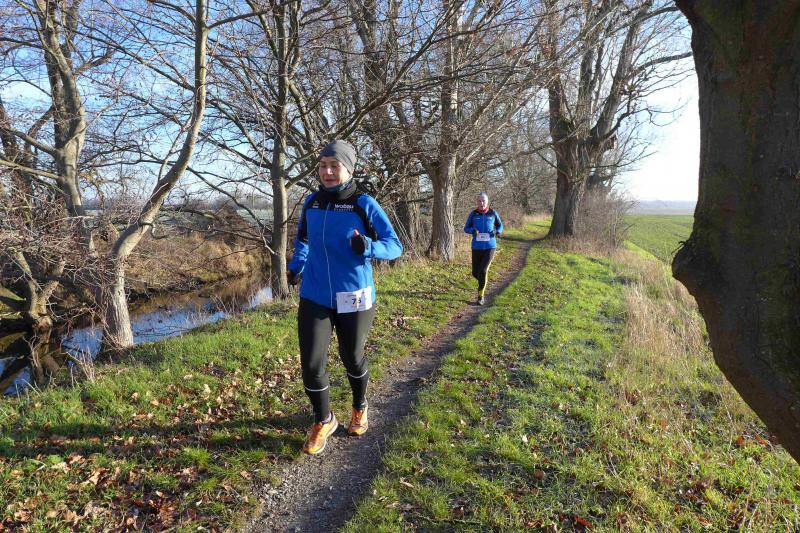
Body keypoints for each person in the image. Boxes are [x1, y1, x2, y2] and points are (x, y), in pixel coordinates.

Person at [287, 140, 403, 455]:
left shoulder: (363, 204)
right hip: (315, 295)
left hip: (354, 295)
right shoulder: (312, 203)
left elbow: (395, 245)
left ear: (348, 169)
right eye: (323, 166)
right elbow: (304, 241)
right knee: (311, 363)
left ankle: (360, 406)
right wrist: (296, 266)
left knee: (351, 356)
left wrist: (369, 247)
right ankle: (324, 419)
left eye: (334, 166)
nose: (327, 172)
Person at [463, 192, 503, 306]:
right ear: (477, 202)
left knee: (483, 271)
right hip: (476, 247)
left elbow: (500, 225)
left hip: (490, 246)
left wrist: (498, 231)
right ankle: (483, 281)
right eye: (479, 201)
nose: (481, 203)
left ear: (487, 202)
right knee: (475, 273)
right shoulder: (473, 214)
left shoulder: (493, 213)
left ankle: (480, 296)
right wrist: (472, 231)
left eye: (483, 201)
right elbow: (466, 228)